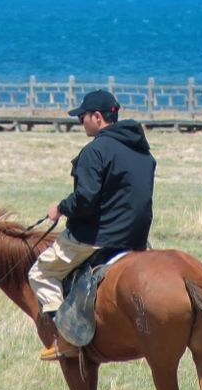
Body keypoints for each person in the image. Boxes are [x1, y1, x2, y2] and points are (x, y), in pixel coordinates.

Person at [29, 88, 156, 360]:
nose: (80, 122)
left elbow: (86, 199)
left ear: (97, 117)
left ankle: (64, 338)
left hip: (99, 236)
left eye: (82, 117)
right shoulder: (143, 152)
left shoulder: (95, 151)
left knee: (40, 272)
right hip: (137, 239)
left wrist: (61, 208)